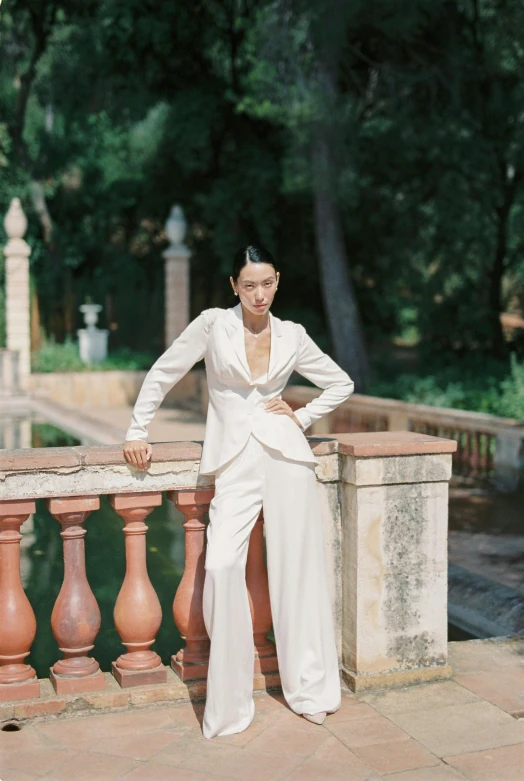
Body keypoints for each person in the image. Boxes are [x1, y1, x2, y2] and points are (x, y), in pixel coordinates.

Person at [123, 245, 355, 739]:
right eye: (248, 285)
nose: (258, 293)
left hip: (287, 457)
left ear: (278, 280)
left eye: (267, 283)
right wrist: (136, 431)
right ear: (234, 286)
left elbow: (340, 383)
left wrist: (301, 414)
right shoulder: (212, 324)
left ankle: (310, 689)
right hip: (233, 460)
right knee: (222, 563)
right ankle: (228, 704)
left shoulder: (292, 334)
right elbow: (164, 372)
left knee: (298, 568)